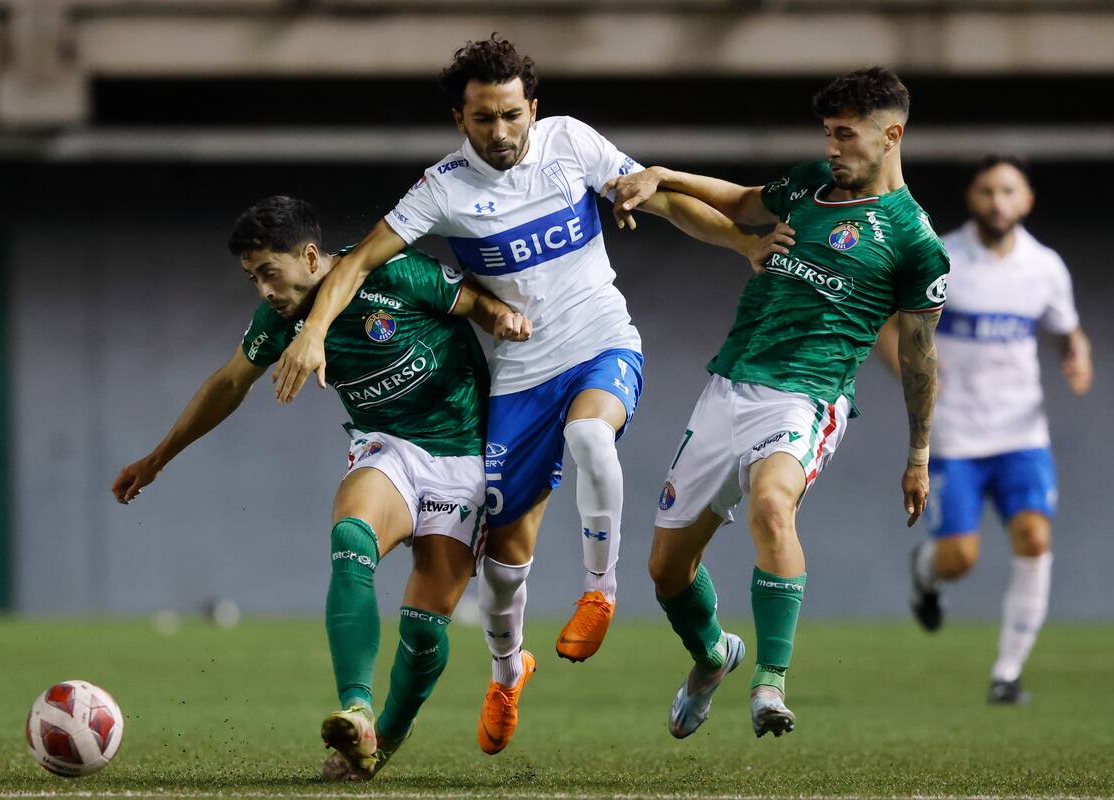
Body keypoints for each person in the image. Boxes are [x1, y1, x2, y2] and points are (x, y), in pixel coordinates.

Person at [258, 36, 758, 753]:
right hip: (520, 377)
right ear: (460, 120)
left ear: (534, 108)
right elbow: (357, 260)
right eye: (483, 119)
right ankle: (505, 673)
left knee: (591, 437)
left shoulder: (572, 144)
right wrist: (312, 334)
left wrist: (741, 244)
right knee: (501, 566)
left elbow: (662, 199)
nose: (501, 133)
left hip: (601, 344)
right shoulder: (441, 189)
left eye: (512, 115)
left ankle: (599, 593)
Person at [111, 196, 528, 779]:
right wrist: (157, 458)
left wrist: (500, 318)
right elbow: (229, 383)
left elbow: (474, 301)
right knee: (352, 536)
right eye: (253, 278)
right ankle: (356, 706)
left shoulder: (396, 273)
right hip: (387, 448)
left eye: (269, 273)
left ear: (310, 256)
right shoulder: (279, 323)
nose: (263, 290)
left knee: (424, 630)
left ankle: (378, 744)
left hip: (462, 455)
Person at [606, 67, 950, 738]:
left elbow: (918, 356)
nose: (832, 147)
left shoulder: (914, 240)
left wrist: (918, 452)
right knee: (666, 571)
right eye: (827, 133)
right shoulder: (809, 188)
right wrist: (661, 177)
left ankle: (769, 686)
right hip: (729, 385)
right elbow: (739, 200)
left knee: (771, 505)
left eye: (845, 135)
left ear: (891, 135)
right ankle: (713, 657)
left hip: (808, 398)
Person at [878, 155, 1093, 704]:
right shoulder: (942, 256)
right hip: (955, 437)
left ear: (1026, 200)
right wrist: (913, 371)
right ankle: (926, 575)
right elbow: (891, 327)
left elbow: (1067, 331)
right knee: (959, 558)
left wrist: (1076, 358)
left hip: (1023, 435)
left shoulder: (1044, 267)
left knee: (1035, 537)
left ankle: (1008, 672)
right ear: (972, 197)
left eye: (1009, 191)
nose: (998, 201)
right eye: (987, 191)